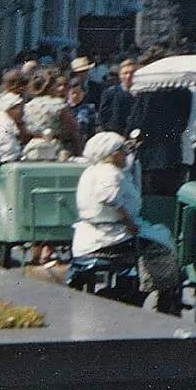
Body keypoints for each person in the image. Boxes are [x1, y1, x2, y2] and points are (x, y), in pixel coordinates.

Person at [73, 132, 183, 314]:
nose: (126, 155)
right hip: (109, 237)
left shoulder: (92, 170)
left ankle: (135, 292)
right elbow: (107, 197)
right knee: (163, 249)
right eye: (122, 151)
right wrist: (127, 221)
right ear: (111, 153)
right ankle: (153, 300)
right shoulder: (109, 173)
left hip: (96, 234)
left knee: (158, 236)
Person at [0, 89, 24, 163]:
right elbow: (8, 154)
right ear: (10, 109)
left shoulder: (4, 119)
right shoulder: (3, 125)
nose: (22, 112)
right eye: (19, 108)